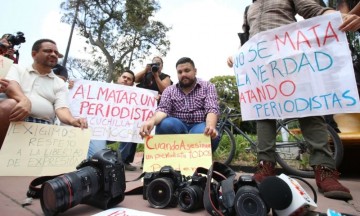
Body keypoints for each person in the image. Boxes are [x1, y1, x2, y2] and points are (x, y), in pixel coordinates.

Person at [227, 0, 360, 201]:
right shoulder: (248, 10)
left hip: (291, 60)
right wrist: (237, 55)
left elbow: (313, 10)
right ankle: (266, 166)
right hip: (260, 68)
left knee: (309, 111)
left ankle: (325, 170)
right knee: (263, 113)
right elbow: (247, 41)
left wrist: (336, 16)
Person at [0, 38, 87, 148]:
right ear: (34, 54)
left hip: (43, 128)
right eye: (48, 51)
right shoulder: (16, 68)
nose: (54, 54)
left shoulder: (59, 83)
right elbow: (11, 85)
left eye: (56, 52)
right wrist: (24, 100)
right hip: (13, 120)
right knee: (9, 105)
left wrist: (73, 120)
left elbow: (62, 108)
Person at [140, 57, 220, 152]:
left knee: (205, 134)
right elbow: (162, 110)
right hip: (177, 126)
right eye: (180, 72)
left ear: (195, 71)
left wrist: (210, 126)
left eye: (187, 70)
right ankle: (170, 161)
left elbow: (211, 108)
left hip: (200, 124)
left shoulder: (207, 86)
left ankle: (197, 164)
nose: (183, 74)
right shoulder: (169, 90)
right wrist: (151, 121)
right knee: (165, 124)